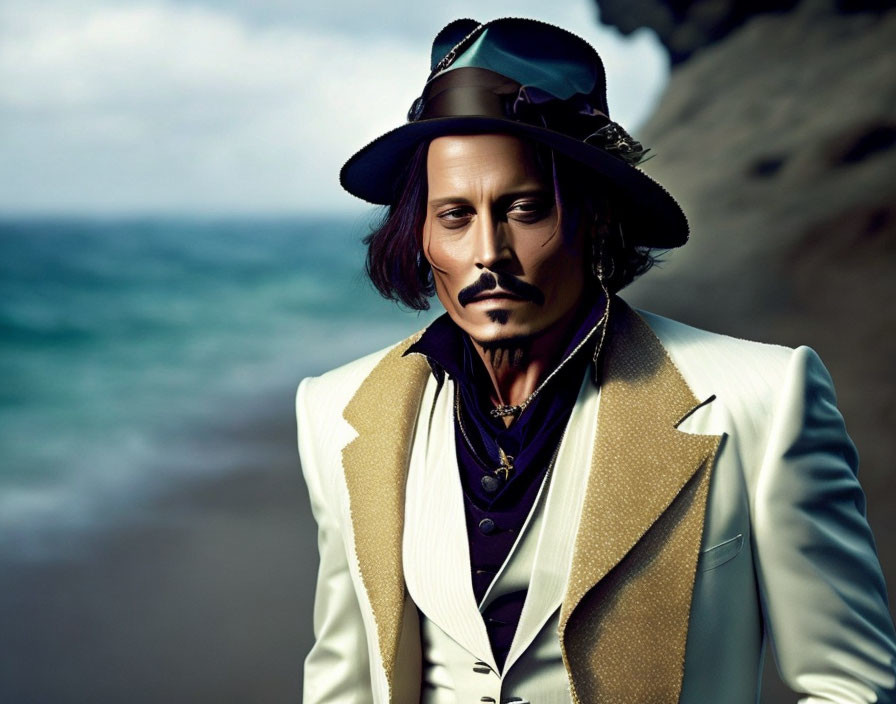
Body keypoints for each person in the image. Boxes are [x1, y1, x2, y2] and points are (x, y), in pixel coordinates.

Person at [295, 17, 896, 703]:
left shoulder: (765, 400)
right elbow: (341, 682)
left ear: (597, 217)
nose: (488, 253)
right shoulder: (334, 411)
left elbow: (852, 688)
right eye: (455, 216)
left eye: (524, 209)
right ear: (421, 234)